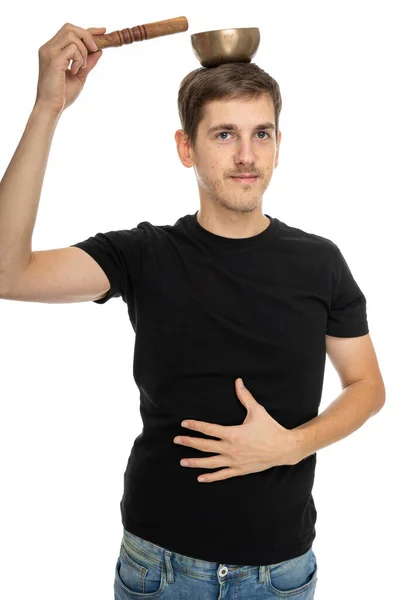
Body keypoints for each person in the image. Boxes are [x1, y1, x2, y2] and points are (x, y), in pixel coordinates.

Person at [0, 22, 385, 600]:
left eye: (262, 133)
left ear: (280, 142)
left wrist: (289, 445)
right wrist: (47, 108)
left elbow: (367, 387)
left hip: (277, 573)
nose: (248, 156)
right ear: (187, 146)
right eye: (225, 135)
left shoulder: (321, 262)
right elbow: (9, 272)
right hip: (158, 565)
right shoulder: (144, 254)